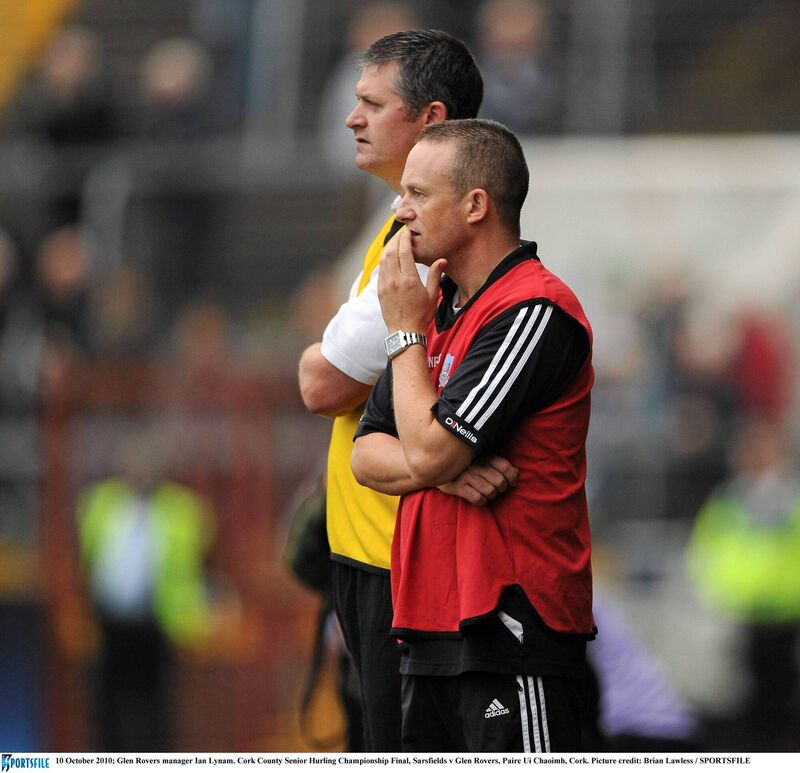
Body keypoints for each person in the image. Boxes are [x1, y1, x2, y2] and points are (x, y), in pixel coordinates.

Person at [351, 119, 595, 753]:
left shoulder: (532, 310)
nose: (400, 212)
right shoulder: (440, 310)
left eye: (416, 194)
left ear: (476, 205)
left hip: (511, 633)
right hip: (428, 626)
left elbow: (427, 447)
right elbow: (365, 456)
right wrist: (444, 470)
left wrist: (404, 333)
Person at [297, 29, 485, 751]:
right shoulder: (394, 228)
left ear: (431, 121)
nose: (353, 118)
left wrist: (315, 353)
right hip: (376, 554)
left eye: (373, 104)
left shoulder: (419, 238)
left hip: (397, 563)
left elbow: (320, 383)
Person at [686, 417, 800, 751]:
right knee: (744, 695)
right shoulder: (729, 498)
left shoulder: (791, 498)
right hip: (740, 612)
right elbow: (707, 546)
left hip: (787, 609)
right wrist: (714, 589)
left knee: (782, 693)